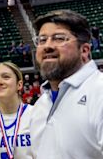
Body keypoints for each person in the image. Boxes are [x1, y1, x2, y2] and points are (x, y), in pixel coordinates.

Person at [30, 9, 103, 158]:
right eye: (42, 40)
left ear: (84, 50)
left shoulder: (99, 91)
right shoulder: (40, 105)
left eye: (59, 38)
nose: (47, 46)